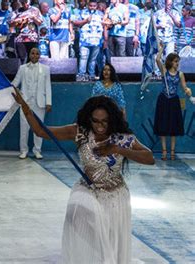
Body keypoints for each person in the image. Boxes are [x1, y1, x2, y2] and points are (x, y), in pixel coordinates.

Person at [13, 91, 155, 263]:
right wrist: (25, 106)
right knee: (80, 212)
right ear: (89, 119)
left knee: (109, 241)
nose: (100, 125)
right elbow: (41, 132)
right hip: (88, 190)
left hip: (116, 196)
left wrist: (118, 150)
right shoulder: (79, 132)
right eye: (95, 120)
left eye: (104, 121)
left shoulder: (122, 138)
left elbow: (149, 158)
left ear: (112, 119)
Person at [12, 48, 51, 159]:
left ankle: (37, 150)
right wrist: (9, 88)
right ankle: (23, 150)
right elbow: (15, 82)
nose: (34, 55)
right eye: (32, 53)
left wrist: (48, 102)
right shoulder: (22, 68)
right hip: (25, 102)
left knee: (38, 128)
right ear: (29, 55)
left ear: (39, 55)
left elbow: (48, 86)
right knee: (24, 128)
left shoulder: (46, 69)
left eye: (37, 53)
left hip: (39, 103)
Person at [154, 46, 192, 160]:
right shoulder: (164, 71)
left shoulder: (180, 74)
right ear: (170, 62)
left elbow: (184, 87)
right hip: (164, 100)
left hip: (174, 101)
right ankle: (164, 151)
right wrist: (161, 48)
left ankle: (172, 152)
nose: (177, 64)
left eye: (178, 62)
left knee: (173, 126)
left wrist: (188, 91)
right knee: (163, 125)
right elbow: (157, 59)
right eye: (176, 62)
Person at [74, 0, 104, 82]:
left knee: (93, 59)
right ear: (88, 5)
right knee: (83, 58)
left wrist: (105, 39)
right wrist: (86, 21)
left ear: (96, 6)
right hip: (85, 40)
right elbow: (75, 23)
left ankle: (91, 75)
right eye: (90, 5)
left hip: (96, 41)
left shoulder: (101, 14)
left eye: (94, 6)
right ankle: (81, 75)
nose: (92, 7)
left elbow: (104, 26)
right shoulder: (82, 12)